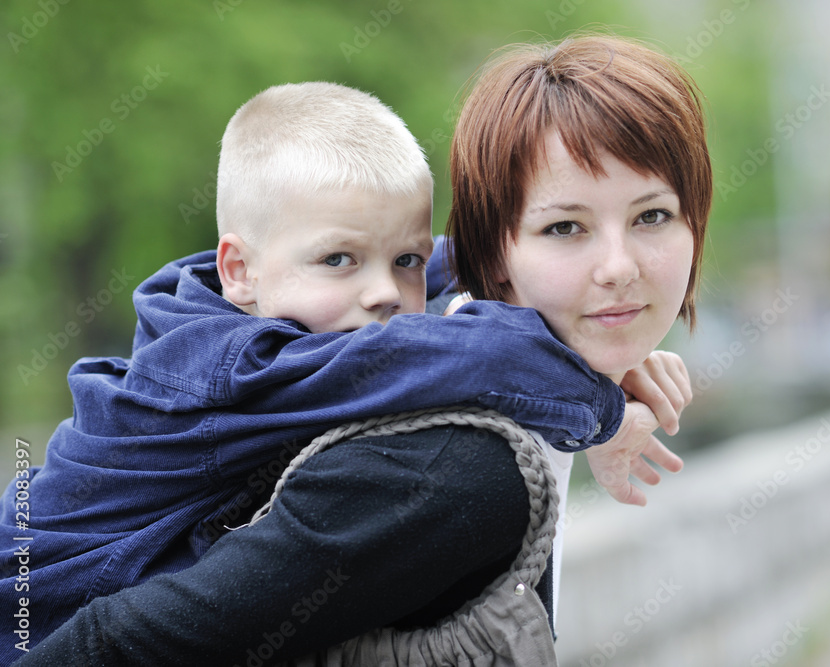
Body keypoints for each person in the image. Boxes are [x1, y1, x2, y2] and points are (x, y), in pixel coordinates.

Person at [14, 32, 710, 665]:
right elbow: (121, 641)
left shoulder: (320, 306)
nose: (617, 268)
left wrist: (595, 352)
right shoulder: (260, 375)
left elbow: (438, 276)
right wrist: (597, 406)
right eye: (564, 228)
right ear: (238, 270)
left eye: (652, 215)